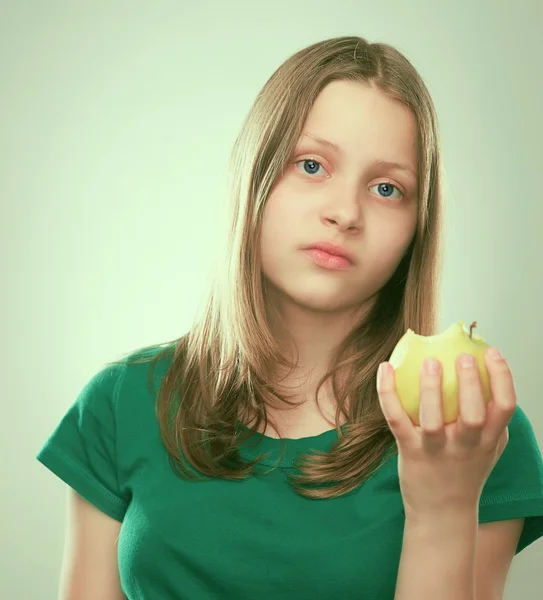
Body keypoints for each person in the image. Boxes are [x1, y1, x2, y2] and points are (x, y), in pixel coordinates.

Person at [37, 35, 543, 600]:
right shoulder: (119, 402)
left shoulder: (471, 426)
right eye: (311, 165)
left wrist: (443, 509)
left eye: (386, 188)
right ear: (255, 176)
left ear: (417, 228)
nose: (345, 213)